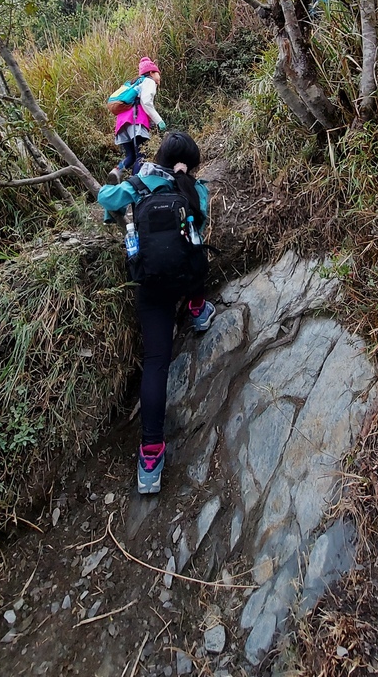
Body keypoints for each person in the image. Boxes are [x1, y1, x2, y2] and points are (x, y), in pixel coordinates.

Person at [97, 131, 216, 494]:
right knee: (196, 255)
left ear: (159, 156)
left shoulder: (136, 185)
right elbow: (202, 223)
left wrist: (119, 177)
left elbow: (104, 198)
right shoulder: (196, 189)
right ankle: (197, 309)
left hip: (150, 284)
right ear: (188, 164)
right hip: (185, 277)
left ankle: (150, 456)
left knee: (156, 361)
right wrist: (186, 184)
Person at [107, 57, 166, 185]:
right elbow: (146, 102)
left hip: (121, 124)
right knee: (142, 156)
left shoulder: (133, 83)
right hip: (136, 122)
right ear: (151, 73)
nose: (159, 77)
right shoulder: (148, 81)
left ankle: (116, 171)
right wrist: (159, 120)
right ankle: (135, 184)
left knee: (130, 156)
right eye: (157, 73)